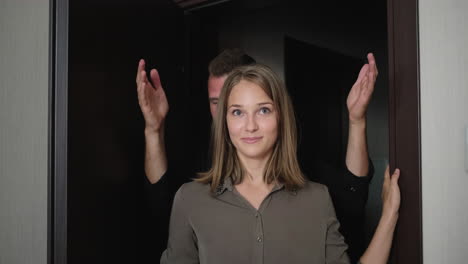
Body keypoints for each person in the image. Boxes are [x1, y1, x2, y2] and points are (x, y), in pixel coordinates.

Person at [136, 49, 376, 261]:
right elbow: (163, 207)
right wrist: (153, 129)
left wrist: (356, 120)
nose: (249, 125)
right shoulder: (193, 188)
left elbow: (351, 199)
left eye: (261, 109)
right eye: (234, 110)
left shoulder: (313, 190)